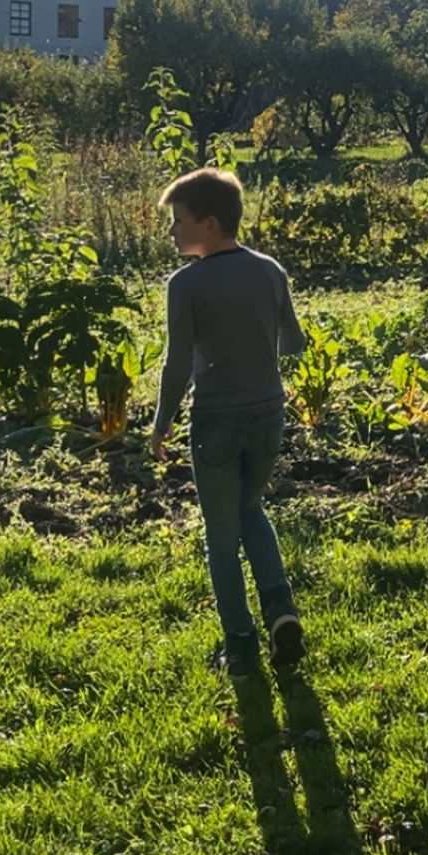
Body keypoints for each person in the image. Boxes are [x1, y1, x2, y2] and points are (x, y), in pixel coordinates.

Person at [150, 168, 307, 679]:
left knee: (220, 532)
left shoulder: (186, 284)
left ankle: (239, 644)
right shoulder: (269, 269)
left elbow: (177, 365)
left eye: (178, 221)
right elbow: (294, 341)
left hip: (215, 418)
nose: (171, 231)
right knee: (251, 508)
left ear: (211, 224)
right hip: (267, 411)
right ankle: (281, 609)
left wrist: (160, 424)